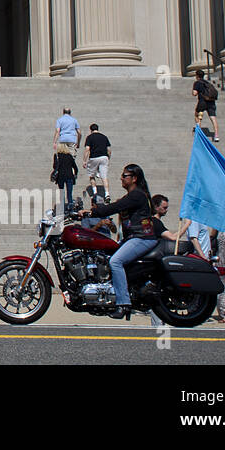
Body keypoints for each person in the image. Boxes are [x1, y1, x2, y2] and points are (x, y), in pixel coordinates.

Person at [80, 163, 156, 319]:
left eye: (124, 175)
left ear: (134, 178)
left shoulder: (137, 195)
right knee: (108, 255)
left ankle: (123, 304)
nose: (121, 178)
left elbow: (114, 207)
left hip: (142, 237)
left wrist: (91, 212)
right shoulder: (135, 195)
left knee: (115, 262)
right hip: (134, 237)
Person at [80, 123, 111, 199]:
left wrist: (84, 161)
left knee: (91, 175)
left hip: (94, 158)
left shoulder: (89, 137)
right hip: (104, 157)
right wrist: (108, 158)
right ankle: (107, 194)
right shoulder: (104, 137)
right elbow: (109, 150)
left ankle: (95, 193)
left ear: (91, 130)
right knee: (104, 177)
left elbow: (87, 149)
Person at [192, 69, 219, 141]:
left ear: (197, 76)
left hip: (202, 102)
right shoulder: (208, 83)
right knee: (213, 118)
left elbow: (194, 93)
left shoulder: (197, 83)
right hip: (211, 102)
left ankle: (199, 134)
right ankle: (216, 135)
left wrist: (194, 91)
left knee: (197, 114)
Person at [52, 145, 78, 209]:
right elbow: (75, 167)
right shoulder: (69, 156)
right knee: (69, 193)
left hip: (60, 176)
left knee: (61, 192)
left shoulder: (57, 156)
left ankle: (62, 207)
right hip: (69, 176)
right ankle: (70, 207)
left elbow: (55, 166)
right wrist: (75, 174)